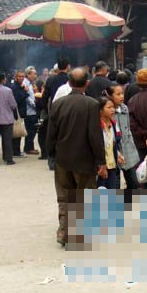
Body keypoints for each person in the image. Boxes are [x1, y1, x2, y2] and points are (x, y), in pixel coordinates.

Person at [46, 68, 105, 246]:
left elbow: (51, 133)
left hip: (63, 158)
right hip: (84, 159)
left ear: (69, 83)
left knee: (64, 197)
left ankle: (64, 233)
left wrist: (51, 154)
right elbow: (95, 135)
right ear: (87, 83)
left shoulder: (58, 103)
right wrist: (101, 160)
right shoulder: (91, 104)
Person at [106, 84, 139, 189]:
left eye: (122, 93)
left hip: (127, 149)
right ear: (110, 96)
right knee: (115, 183)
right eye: (118, 94)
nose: (121, 96)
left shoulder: (124, 108)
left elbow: (128, 129)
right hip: (113, 150)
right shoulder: (107, 111)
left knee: (133, 182)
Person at [39, 57, 70, 170]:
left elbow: (45, 97)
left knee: (53, 136)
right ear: (68, 67)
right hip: (69, 111)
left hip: (54, 111)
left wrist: (45, 109)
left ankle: (52, 161)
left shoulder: (51, 79)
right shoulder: (70, 79)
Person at [97, 96, 123, 189]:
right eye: (109, 107)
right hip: (100, 167)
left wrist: (118, 154)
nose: (112, 110)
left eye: (113, 107)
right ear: (100, 110)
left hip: (112, 165)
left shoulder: (113, 124)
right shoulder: (96, 126)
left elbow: (115, 142)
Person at [10, 70, 29, 158]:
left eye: (22, 76)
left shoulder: (20, 86)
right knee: (17, 132)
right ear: (16, 77)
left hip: (20, 112)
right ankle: (16, 151)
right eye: (19, 76)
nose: (21, 78)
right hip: (17, 112)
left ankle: (16, 150)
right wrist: (25, 92)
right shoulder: (14, 87)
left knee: (18, 133)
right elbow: (17, 99)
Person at [23, 66, 41, 156]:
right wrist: (35, 104)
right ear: (28, 74)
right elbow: (26, 97)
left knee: (32, 130)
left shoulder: (31, 84)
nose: (35, 76)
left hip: (33, 111)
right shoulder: (25, 84)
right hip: (29, 111)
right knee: (30, 130)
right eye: (34, 74)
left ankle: (29, 147)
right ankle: (28, 148)